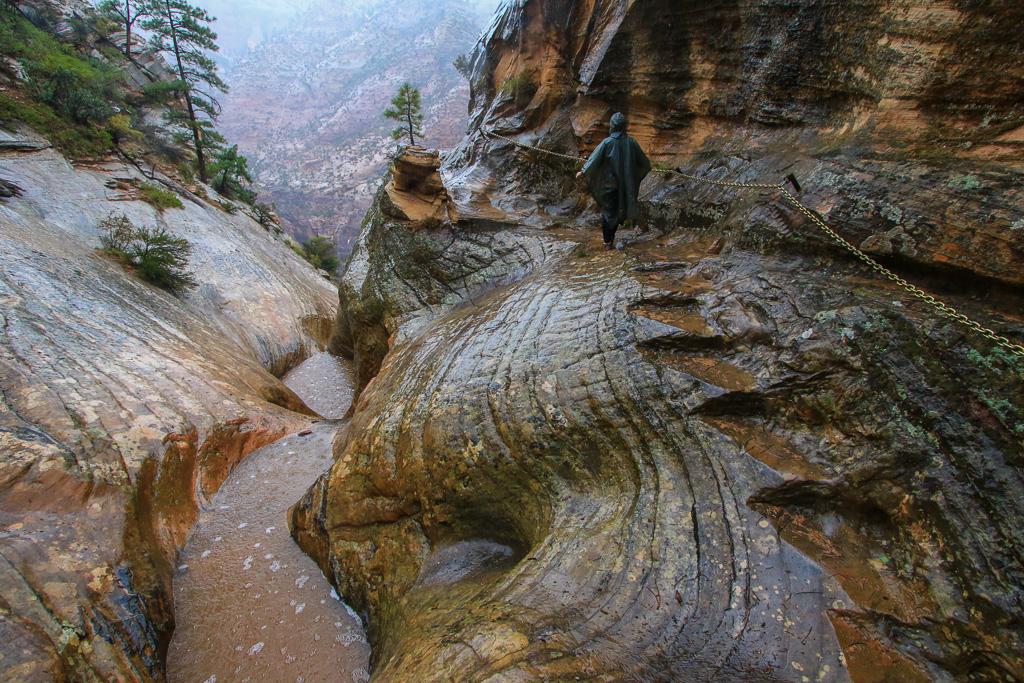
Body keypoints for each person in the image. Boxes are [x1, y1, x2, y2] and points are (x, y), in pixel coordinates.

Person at [576, 112, 651, 249]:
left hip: (609, 186)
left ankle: (607, 242)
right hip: (625, 186)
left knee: (608, 212)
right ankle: (610, 240)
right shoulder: (632, 143)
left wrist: (583, 171)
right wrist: (634, 177)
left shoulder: (607, 142)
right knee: (617, 211)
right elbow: (646, 164)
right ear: (624, 126)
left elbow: (594, 159)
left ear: (612, 126)